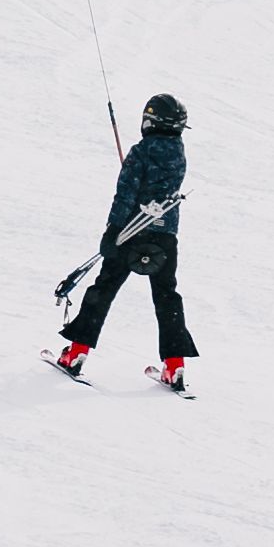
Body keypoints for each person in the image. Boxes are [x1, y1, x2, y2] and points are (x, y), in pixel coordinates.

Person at [56, 94, 194, 390]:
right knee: (167, 296)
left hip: (130, 232)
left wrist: (112, 231)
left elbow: (126, 194)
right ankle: (175, 366)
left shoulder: (141, 151)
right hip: (165, 236)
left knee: (103, 289)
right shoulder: (179, 152)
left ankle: (76, 354)